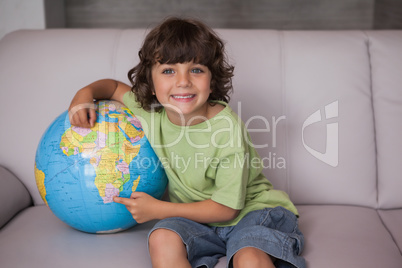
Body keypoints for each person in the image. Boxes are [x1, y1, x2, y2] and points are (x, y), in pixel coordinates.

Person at [68, 17, 305, 268]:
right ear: (149, 84)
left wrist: (159, 210)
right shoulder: (152, 114)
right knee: (161, 237)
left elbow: (227, 210)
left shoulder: (227, 129)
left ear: (212, 81)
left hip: (252, 213)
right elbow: (114, 87)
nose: (183, 81)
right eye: (169, 71)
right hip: (197, 221)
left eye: (196, 70)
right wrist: (84, 94)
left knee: (248, 257)